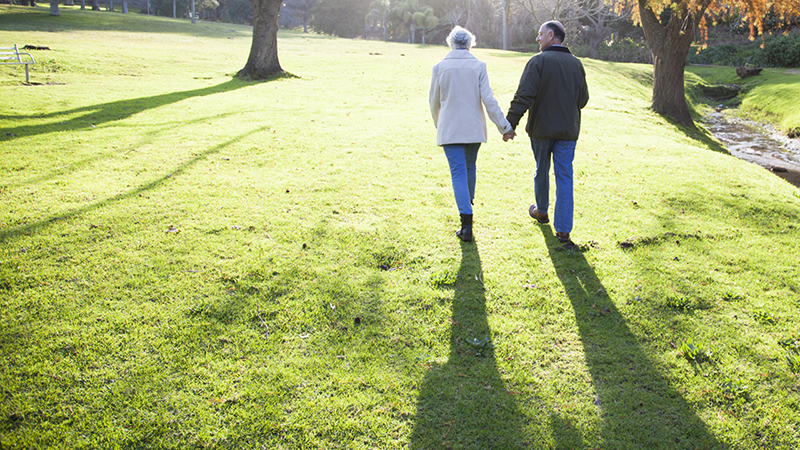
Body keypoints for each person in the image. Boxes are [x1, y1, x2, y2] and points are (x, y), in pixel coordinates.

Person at [503, 20, 589, 243]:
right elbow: (583, 99)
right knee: (565, 177)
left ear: (551, 35)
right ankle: (563, 230)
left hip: (541, 129)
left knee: (542, 170)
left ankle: (541, 211)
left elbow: (524, 96)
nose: (537, 38)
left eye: (540, 34)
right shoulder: (577, 64)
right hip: (568, 131)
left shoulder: (538, 62)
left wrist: (510, 125)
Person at [429, 26, 514, 242]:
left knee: (458, 172)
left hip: (450, 129)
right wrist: (504, 127)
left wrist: (439, 124)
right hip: (473, 129)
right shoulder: (478, 66)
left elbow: (433, 102)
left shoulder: (439, 67)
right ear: (469, 44)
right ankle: (468, 209)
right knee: (469, 167)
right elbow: (489, 100)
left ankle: (466, 224)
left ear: (451, 43)